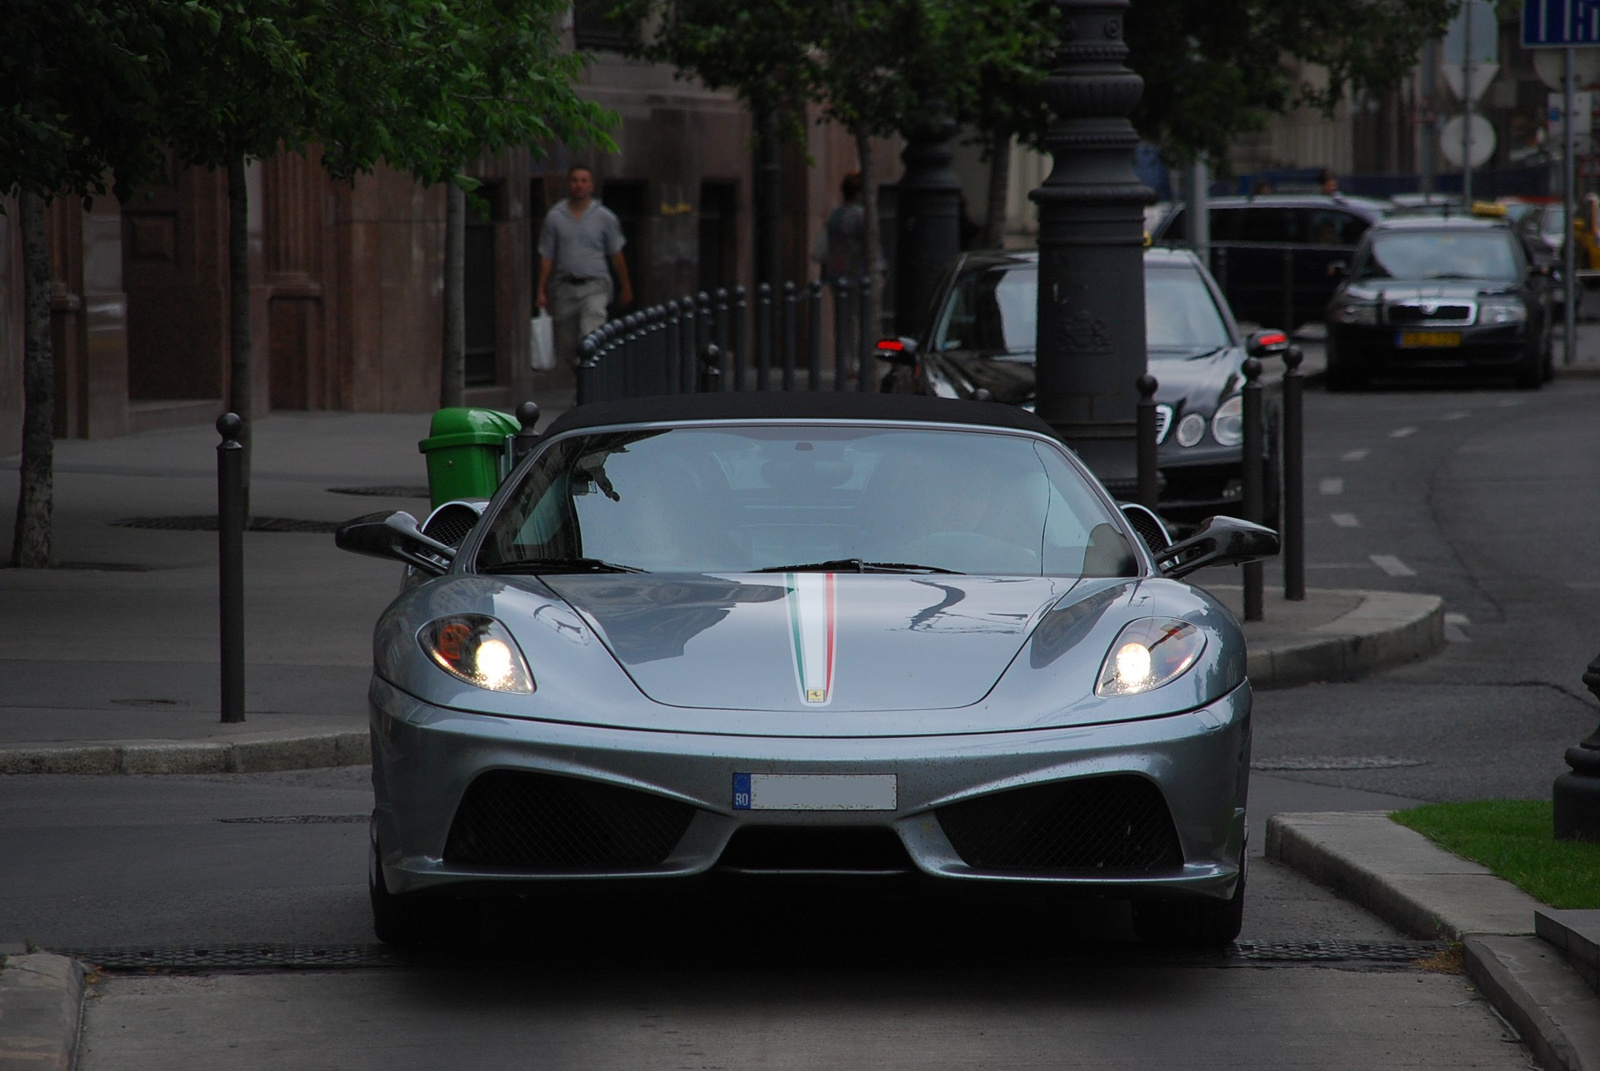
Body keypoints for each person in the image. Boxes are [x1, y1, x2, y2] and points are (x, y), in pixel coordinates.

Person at [537, 165, 633, 367]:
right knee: (569, 346)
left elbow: (616, 254)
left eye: (584, 180)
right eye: (575, 180)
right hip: (564, 288)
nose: (579, 185)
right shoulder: (555, 217)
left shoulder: (605, 217)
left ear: (591, 186)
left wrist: (626, 286)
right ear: (568, 184)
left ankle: (589, 390)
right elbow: (547, 255)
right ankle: (582, 386)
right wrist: (541, 290)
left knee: (589, 336)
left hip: (595, 286)